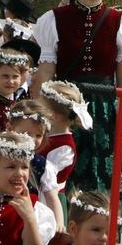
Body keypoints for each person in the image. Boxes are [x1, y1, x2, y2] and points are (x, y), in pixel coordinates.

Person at [31, 0, 122, 225]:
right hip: (63, 106)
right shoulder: (54, 19)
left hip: (104, 109)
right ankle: (60, 238)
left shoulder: (120, 22)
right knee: (61, 173)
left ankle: (101, 242)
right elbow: (46, 70)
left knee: (101, 175)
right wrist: (42, 113)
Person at [0, 100, 64, 230]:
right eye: (26, 133)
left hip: (23, 222)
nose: (32, 139)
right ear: (9, 128)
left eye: (38, 135)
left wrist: (58, 225)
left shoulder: (43, 165)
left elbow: (52, 198)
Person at [37, 80, 92, 220]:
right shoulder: (46, 134)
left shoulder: (64, 147)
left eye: (40, 107)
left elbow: (47, 177)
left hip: (48, 200)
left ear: (53, 115)